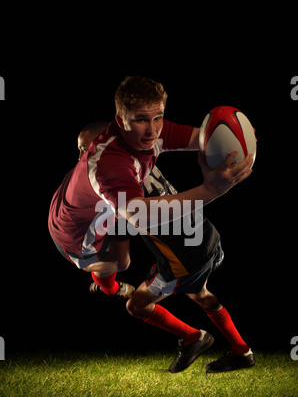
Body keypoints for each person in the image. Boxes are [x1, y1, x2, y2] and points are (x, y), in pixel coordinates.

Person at [48, 75, 253, 312]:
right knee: (119, 264)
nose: (152, 130)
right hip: (73, 232)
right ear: (120, 120)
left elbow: (204, 137)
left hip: (83, 200)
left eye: (158, 117)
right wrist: (211, 189)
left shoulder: (154, 130)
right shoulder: (110, 164)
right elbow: (141, 217)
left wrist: (239, 142)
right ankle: (106, 285)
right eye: (141, 120)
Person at [126, 168, 255, 373]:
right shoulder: (144, 159)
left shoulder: (116, 181)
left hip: (185, 258)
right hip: (206, 237)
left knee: (136, 305)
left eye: (87, 150)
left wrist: (110, 285)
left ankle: (193, 338)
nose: (83, 157)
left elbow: (118, 253)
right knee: (199, 292)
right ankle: (241, 351)